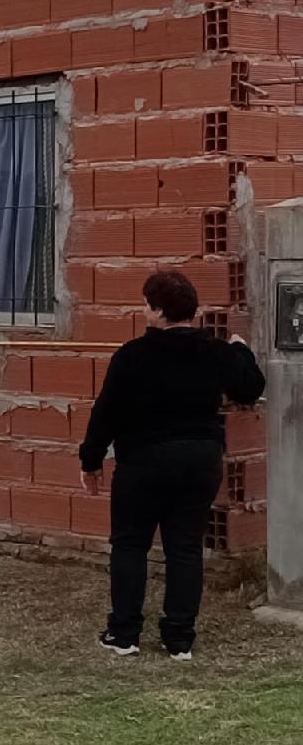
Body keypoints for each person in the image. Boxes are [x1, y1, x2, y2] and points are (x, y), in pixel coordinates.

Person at [79, 270, 265, 661]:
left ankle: (124, 633)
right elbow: (251, 387)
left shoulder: (132, 355)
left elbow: (105, 414)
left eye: (146, 304)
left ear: (159, 311)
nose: (144, 310)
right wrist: (240, 350)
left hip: (144, 461)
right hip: (200, 461)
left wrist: (91, 460)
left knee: (130, 544)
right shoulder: (216, 352)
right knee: (185, 547)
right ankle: (179, 637)